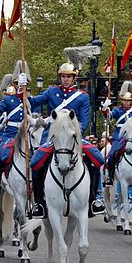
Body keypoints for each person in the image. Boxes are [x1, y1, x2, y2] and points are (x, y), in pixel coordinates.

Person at [28, 59, 105, 217]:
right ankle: (39, 203)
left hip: (73, 137)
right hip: (52, 136)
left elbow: (84, 122)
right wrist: (24, 90)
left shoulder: (82, 97)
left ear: (74, 78)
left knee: (97, 159)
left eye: (69, 76)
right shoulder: (51, 92)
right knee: (35, 163)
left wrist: (73, 133)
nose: (66, 79)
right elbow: (32, 102)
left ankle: (94, 199)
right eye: (63, 76)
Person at [0, 66, 25, 203]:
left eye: (22, 83)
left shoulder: (30, 99)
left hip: (26, 136)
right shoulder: (9, 100)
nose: (19, 86)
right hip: (10, 135)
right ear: (13, 85)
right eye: (17, 83)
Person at [101, 80, 132, 187]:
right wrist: (105, 109)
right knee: (112, 155)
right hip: (119, 136)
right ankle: (110, 177)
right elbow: (109, 116)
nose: (127, 102)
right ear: (122, 101)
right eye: (125, 100)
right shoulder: (117, 110)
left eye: (129, 101)